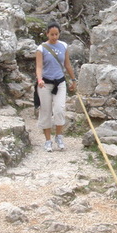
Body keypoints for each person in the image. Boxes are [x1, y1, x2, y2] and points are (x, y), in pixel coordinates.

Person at [35, 21, 77, 152]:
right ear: (47, 34)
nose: (54, 37)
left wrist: (73, 80)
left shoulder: (64, 46)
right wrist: (39, 79)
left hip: (60, 82)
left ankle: (59, 136)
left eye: (56, 34)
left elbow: (67, 64)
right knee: (46, 111)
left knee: (59, 109)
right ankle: (48, 141)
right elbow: (39, 66)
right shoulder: (41, 48)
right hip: (45, 84)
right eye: (52, 34)